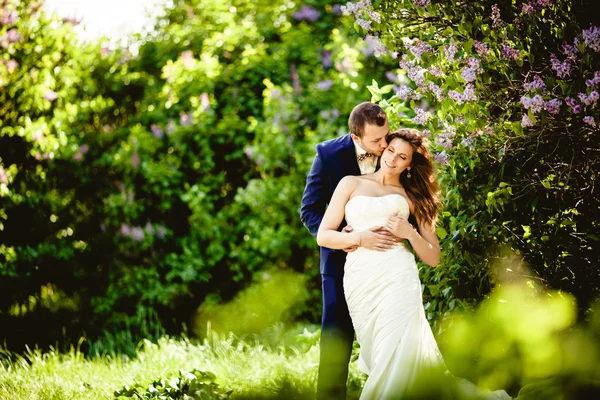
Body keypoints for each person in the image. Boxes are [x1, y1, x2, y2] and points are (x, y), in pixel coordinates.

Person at [316, 128, 510, 399]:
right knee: (380, 352)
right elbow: (324, 235)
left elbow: (433, 257)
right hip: (360, 280)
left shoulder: (412, 197)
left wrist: (409, 233)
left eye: (402, 157)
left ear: (410, 165)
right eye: (391, 150)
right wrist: (360, 237)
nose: (392, 159)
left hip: (398, 278)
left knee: (394, 350)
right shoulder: (350, 183)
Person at [300, 102, 402, 399]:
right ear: (356, 138)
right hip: (339, 261)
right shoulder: (328, 154)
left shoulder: (393, 149)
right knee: (337, 337)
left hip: (388, 262)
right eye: (376, 141)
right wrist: (347, 236)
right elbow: (309, 211)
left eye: (386, 136)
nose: (384, 146)